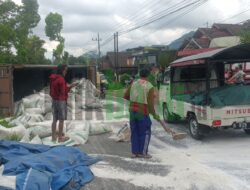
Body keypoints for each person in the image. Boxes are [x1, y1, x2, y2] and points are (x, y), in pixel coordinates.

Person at [124, 68, 160, 159]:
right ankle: (143, 153)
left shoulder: (133, 84)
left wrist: (134, 101)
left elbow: (125, 96)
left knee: (134, 131)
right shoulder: (149, 86)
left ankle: (134, 152)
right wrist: (155, 115)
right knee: (145, 132)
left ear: (139, 75)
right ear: (147, 76)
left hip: (132, 112)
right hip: (142, 112)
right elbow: (151, 105)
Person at [49, 64, 77, 142]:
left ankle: (53, 137)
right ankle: (60, 138)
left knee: (54, 120)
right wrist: (71, 86)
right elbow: (64, 91)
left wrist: (55, 97)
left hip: (54, 100)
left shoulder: (53, 78)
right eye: (65, 70)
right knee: (61, 120)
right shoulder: (61, 79)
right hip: (61, 101)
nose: (66, 72)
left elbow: (51, 92)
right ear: (62, 70)